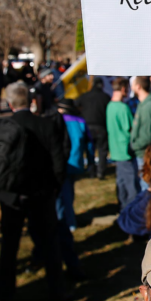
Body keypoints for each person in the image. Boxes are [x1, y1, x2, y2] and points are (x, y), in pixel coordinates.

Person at [0, 81, 68, 301]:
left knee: (9, 246)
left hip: (12, 195)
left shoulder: (3, 126)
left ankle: (4, 295)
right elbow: (59, 160)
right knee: (49, 244)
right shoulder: (45, 125)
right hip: (41, 193)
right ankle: (56, 291)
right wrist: (55, 186)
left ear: (9, 103)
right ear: (32, 101)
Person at [54, 99, 87, 280]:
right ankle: (70, 219)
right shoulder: (79, 121)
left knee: (62, 196)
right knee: (69, 193)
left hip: (63, 163)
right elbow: (87, 140)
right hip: (75, 162)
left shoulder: (58, 121)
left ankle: (67, 221)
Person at [108, 77, 140, 209]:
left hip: (115, 149)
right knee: (131, 185)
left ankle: (123, 209)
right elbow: (131, 128)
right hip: (125, 151)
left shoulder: (109, 106)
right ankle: (131, 211)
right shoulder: (123, 108)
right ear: (123, 89)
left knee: (121, 182)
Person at [130, 76, 151, 191]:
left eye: (132, 84)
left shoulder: (148, 106)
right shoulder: (143, 104)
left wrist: (135, 145)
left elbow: (147, 136)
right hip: (142, 152)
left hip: (145, 152)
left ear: (138, 87)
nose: (130, 87)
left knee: (147, 186)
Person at [77, 78, 111, 179]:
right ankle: (100, 171)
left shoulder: (85, 96)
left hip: (88, 127)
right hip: (100, 127)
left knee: (90, 150)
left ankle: (92, 171)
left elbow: (76, 104)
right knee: (102, 150)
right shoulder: (105, 97)